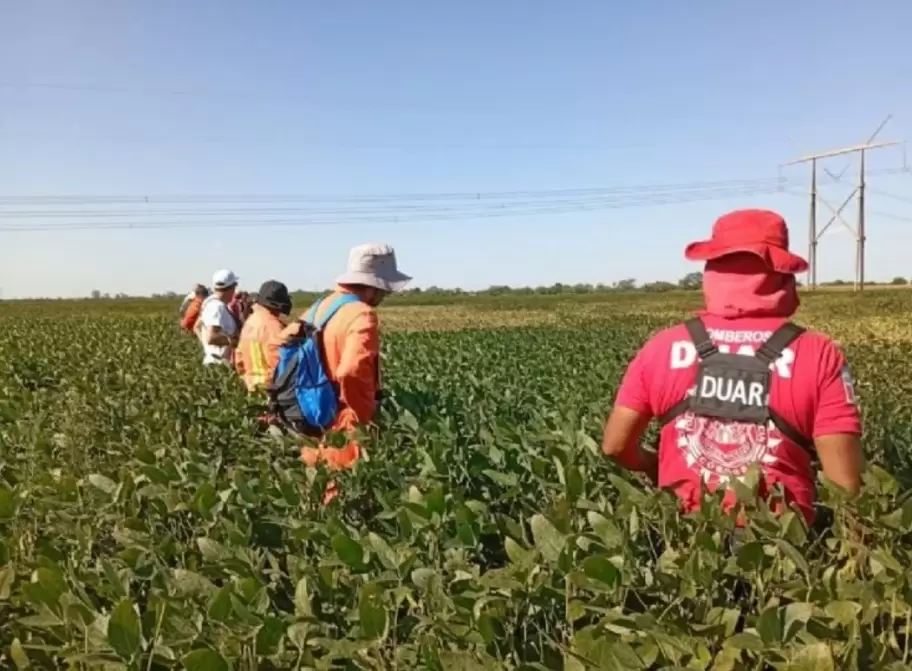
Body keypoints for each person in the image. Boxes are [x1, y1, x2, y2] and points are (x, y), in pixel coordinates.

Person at [602, 209, 863, 528]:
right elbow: (845, 484)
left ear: (712, 268)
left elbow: (615, 445)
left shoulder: (661, 346)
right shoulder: (818, 353)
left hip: (687, 542)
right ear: (781, 272)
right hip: (781, 547)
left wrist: (653, 465)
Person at [274, 243, 411, 496]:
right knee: (344, 494)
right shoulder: (361, 314)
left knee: (315, 486)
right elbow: (350, 371)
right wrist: (363, 418)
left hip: (311, 414)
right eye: (383, 290)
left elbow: (282, 343)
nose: (384, 296)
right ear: (371, 285)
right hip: (343, 420)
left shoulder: (320, 307)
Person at [235, 281, 293, 392]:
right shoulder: (274, 327)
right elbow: (280, 365)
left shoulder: (250, 322)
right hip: (269, 390)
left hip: (251, 387)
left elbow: (239, 358)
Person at [197, 269, 242, 366]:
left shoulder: (209, 302)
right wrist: (233, 341)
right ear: (231, 288)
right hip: (218, 363)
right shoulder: (217, 307)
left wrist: (206, 347)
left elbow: (197, 327)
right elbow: (211, 337)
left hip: (214, 360)